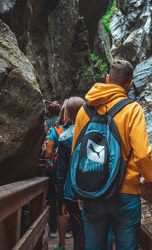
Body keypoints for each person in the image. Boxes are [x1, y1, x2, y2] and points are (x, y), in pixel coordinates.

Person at [72, 60, 152, 249]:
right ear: (130, 83)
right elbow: (143, 154)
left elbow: (76, 153)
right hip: (125, 192)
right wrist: (150, 177)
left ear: (107, 79)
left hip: (92, 190)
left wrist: (78, 188)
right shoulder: (132, 109)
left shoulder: (84, 110)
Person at [56, 96, 86, 250]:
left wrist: (61, 199)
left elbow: (61, 172)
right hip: (97, 189)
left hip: (72, 191)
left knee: (79, 233)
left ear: (67, 113)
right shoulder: (97, 131)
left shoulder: (64, 137)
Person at [46, 101, 72, 249]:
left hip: (59, 172)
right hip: (78, 173)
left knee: (56, 200)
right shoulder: (83, 128)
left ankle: (56, 234)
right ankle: (71, 231)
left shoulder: (56, 130)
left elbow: (49, 153)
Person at [42, 100, 61, 238]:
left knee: (50, 197)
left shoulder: (45, 124)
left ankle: (53, 228)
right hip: (61, 163)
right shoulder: (61, 124)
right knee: (63, 196)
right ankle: (67, 229)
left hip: (48, 164)